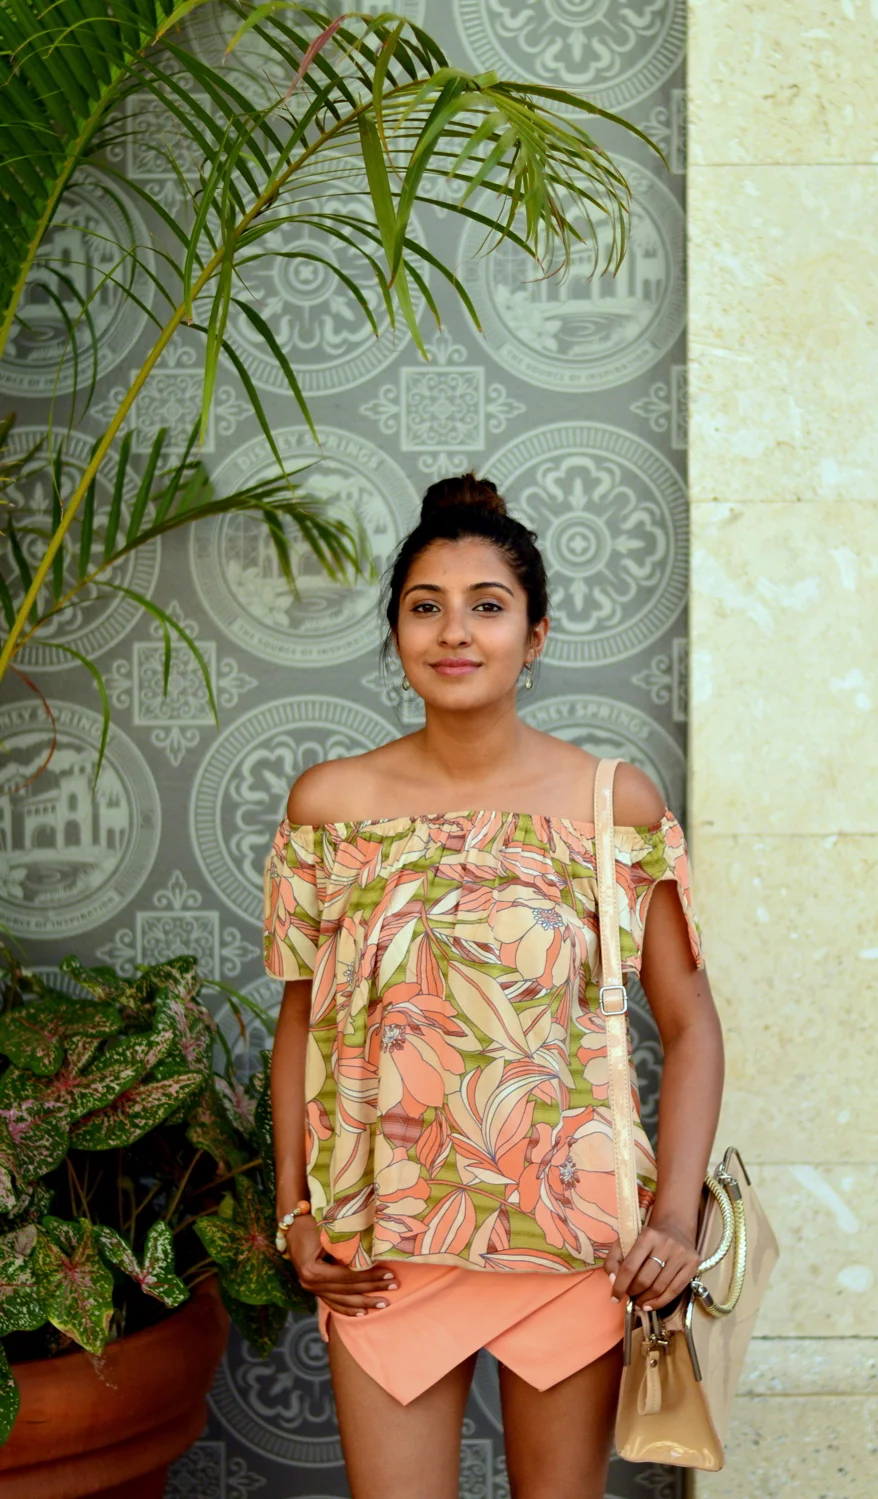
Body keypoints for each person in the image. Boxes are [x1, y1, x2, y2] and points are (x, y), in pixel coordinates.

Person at [265, 473, 724, 1499]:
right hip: (383, 1242)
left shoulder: (612, 804)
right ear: (396, 631)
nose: (454, 631)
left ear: (535, 632)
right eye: (424, 605)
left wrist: (674, 1218)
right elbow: (302, 1019)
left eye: (487, 604)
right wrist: (295, 1209)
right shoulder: (329, 807)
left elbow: (691, 1023)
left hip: (572, 1240)